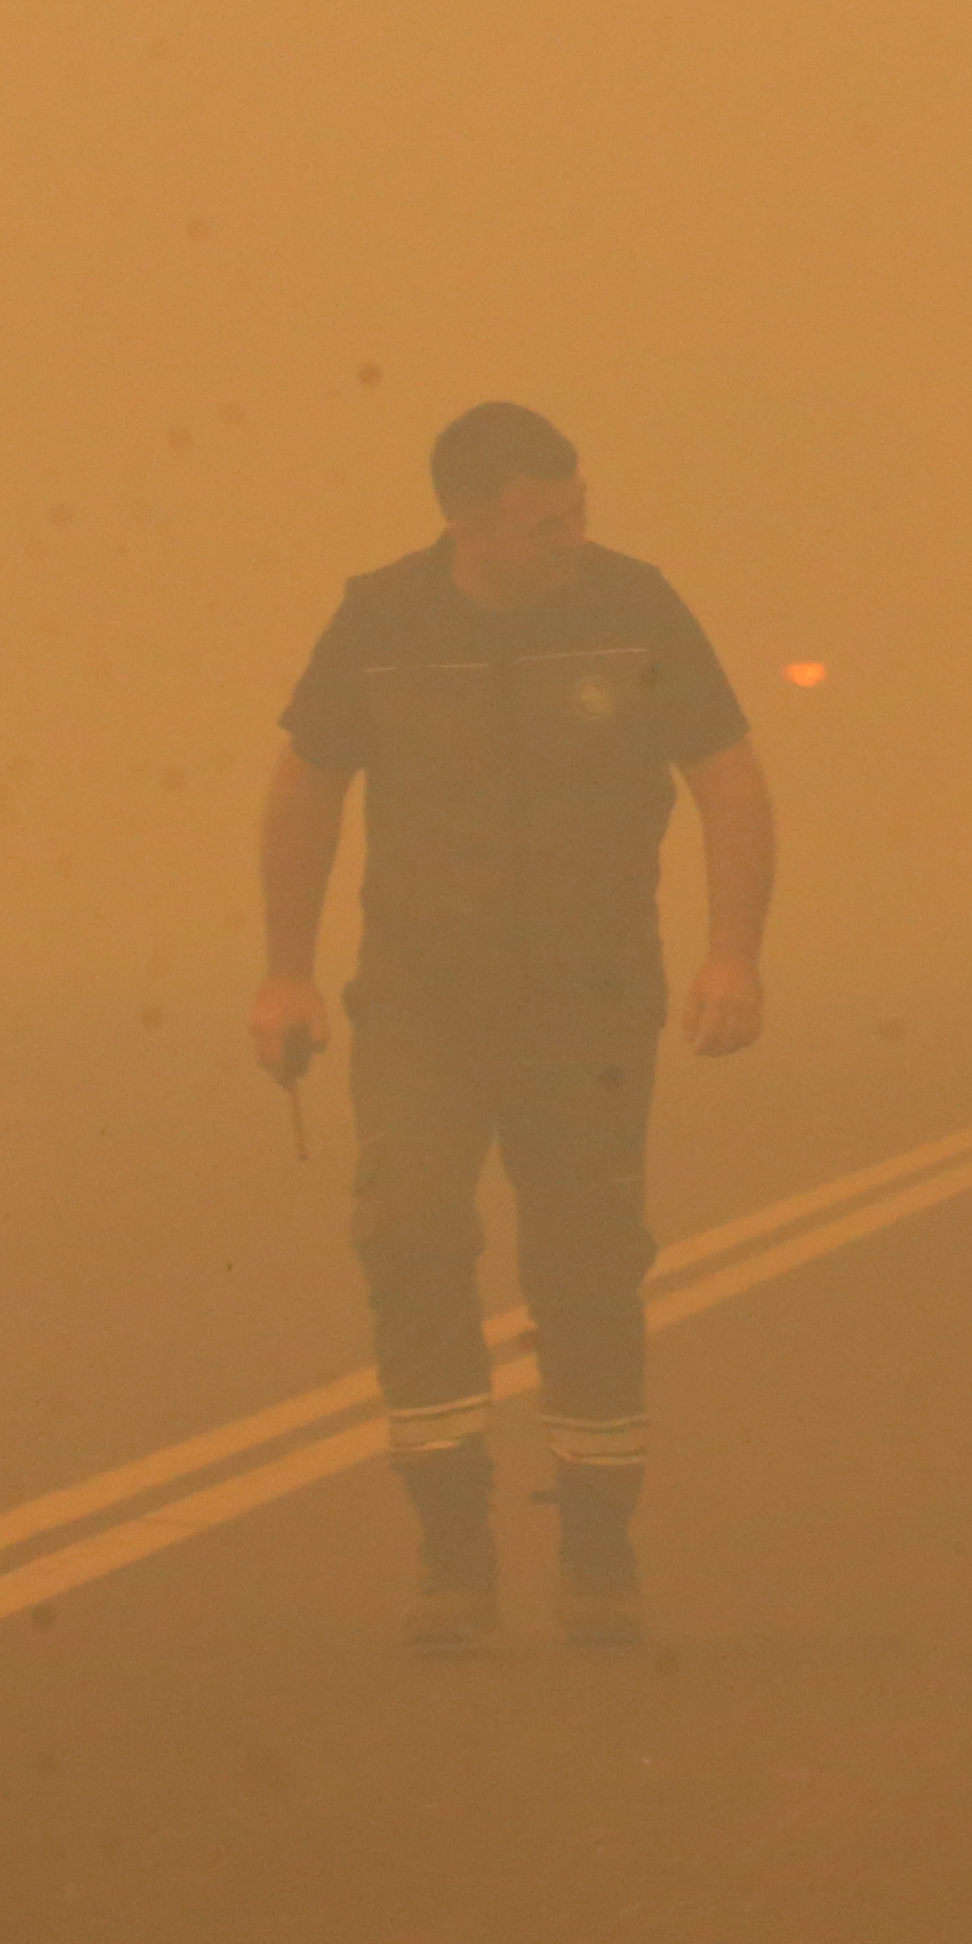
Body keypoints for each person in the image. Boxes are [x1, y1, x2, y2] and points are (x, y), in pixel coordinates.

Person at [246, 404, 774, 1652]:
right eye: (548, 523)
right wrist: (285, 974)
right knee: (410, 1232)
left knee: (588, 1263)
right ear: (465, 521)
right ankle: (452, 1547)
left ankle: (598, 1549)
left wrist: (734, 955)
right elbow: (305, 789)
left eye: (579, 511)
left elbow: (732, 780)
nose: (574, 540)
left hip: (590, 1004)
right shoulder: (380, 621)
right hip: (423, 1004)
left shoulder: (636, 606)